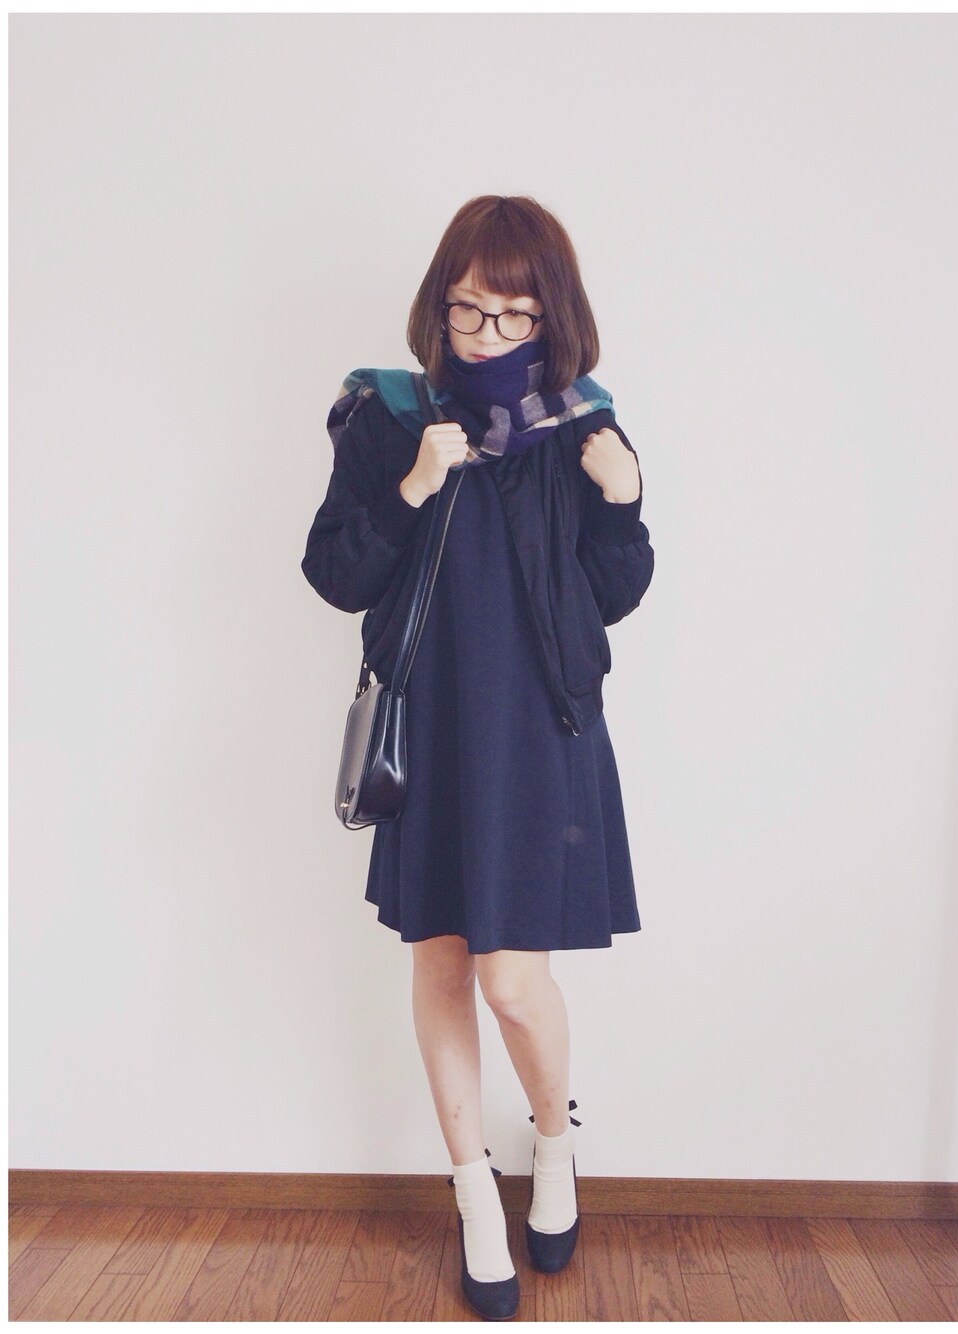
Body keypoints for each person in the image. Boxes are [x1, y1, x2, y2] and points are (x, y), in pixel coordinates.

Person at [301, 195, 654, 1320]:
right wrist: (412, 485)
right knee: (444, 966)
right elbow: (335, 572)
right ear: (439, 305)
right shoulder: (386, 417)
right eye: (466, 311)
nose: (485, 336)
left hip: (540, 730)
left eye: (510, 316)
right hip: (432, 729)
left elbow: (611, 593)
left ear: (551, 316)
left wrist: (624, 505)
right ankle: (471, 1193)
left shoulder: (584, 424)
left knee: (514, 980)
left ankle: (552, 1144)